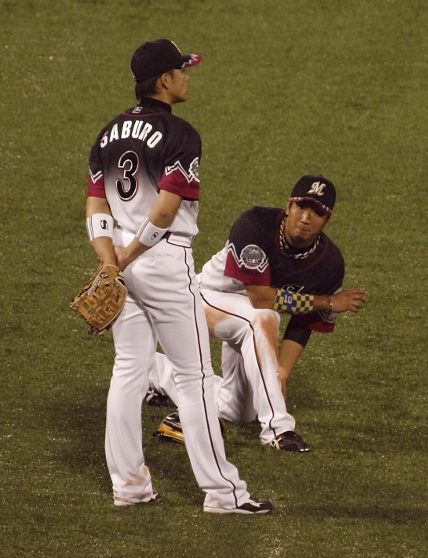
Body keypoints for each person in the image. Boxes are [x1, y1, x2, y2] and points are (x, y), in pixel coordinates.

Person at [85, 38, 271, 514]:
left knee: (128, 372)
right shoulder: (180, 133)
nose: (189, 76)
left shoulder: (108, 134)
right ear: (164, 80)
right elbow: (166, 210)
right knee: (194, 379)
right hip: (161, 262)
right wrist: (125, 259)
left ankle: (129, 487)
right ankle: (224, 494)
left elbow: (97, 205)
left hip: (122, 262)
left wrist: (109, 262)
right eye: (182, 70)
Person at [148, 174, 367, 452]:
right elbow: (260, 297)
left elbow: (303, 324)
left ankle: (151, 369)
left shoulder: (329, 263)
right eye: (301, 206)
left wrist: (282, 373)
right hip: (200, 299)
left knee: (237, 410)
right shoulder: (255, 225)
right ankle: (279, 428)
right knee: (263, 317)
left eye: (317, 212)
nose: (306, 217)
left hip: (248, 321)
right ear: (288, 206)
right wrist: (327, 302)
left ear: (327, 221)